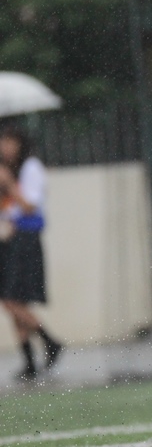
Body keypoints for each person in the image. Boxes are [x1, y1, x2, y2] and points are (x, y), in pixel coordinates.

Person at [0, 125, 63, 381]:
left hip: (26, 239)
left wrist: (8, 184)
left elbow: (29, 207)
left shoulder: (30, 168)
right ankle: (29, 362)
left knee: (11, 299)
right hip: (10, 238)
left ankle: (50, 340)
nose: (5, 147)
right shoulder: (10, 169)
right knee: (14, 300)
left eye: (9, 142)